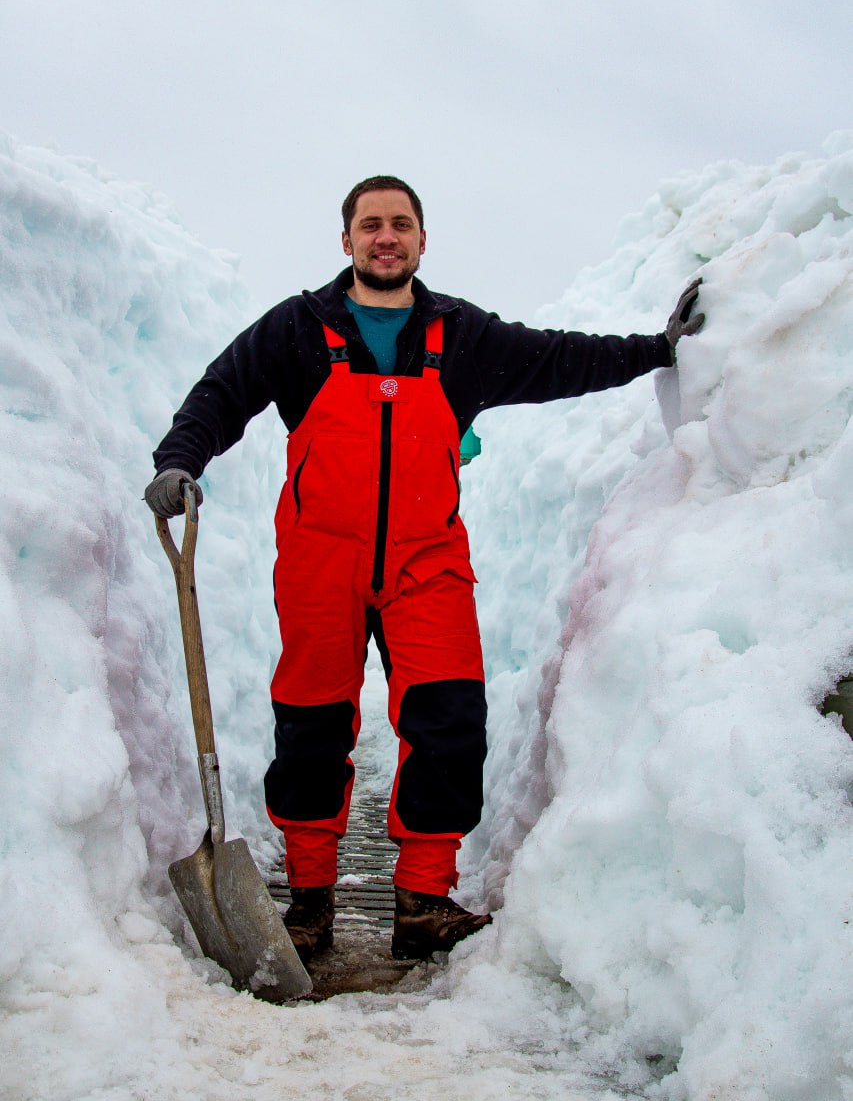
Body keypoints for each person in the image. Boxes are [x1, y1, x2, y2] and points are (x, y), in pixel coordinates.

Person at [145, 175, 704, 963]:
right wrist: (178, 462)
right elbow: (220, 394)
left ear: (420, 240)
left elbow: (556, 358)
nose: (385, 237)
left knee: (447, 721)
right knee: (310, 724)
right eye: (370, 225)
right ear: (345, 241)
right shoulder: (296, 329)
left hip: (425, 562)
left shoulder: (460, 335)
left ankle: (422, 900)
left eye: (399, 225)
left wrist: (657, 349)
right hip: (319, 560)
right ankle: (308, 903)